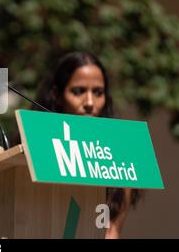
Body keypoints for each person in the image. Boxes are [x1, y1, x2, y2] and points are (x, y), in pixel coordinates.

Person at [35, 51, 141, 239]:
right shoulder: (35, 148)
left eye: (98, 92)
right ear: (57, 95)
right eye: (78, 91)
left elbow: (111, 232)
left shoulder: (119, 152)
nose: (90, 102)